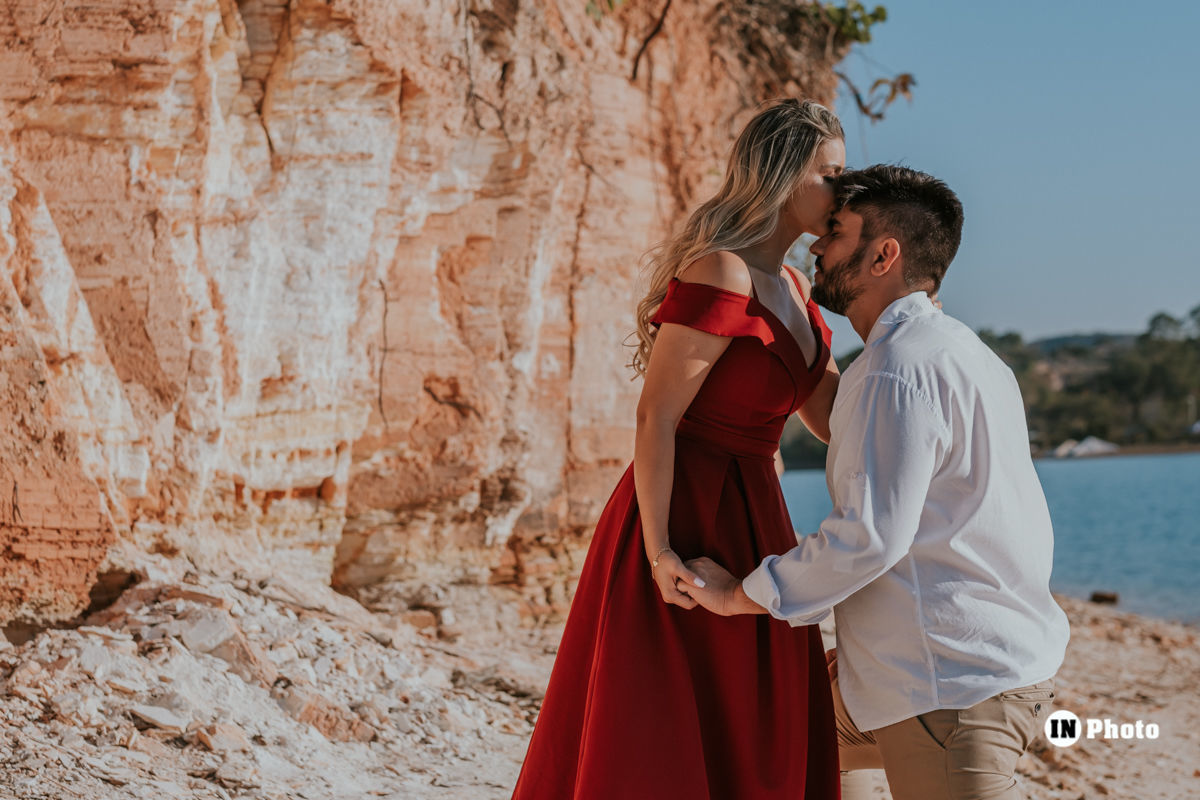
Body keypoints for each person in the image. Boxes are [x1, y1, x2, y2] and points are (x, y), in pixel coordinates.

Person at [685, 164, 1072, 800]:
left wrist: (737, 596)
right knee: (780, 746)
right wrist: (860, 663)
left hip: (948, 693)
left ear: (882, 255)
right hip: (980, 669)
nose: (816, 244)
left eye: (835, 233)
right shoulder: (974, 358)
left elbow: (868, 537)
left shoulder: (895, 369)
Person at [511, 99, 846, 799]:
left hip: (757, 511)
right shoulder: (720, 271)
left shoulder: (795, 288)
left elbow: (831, 418)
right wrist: (659, 551)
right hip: (681, 510)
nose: (845, 194)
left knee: (756, 717)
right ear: (787, 176)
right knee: (662, 723)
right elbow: (656, 417)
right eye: (832, 175)